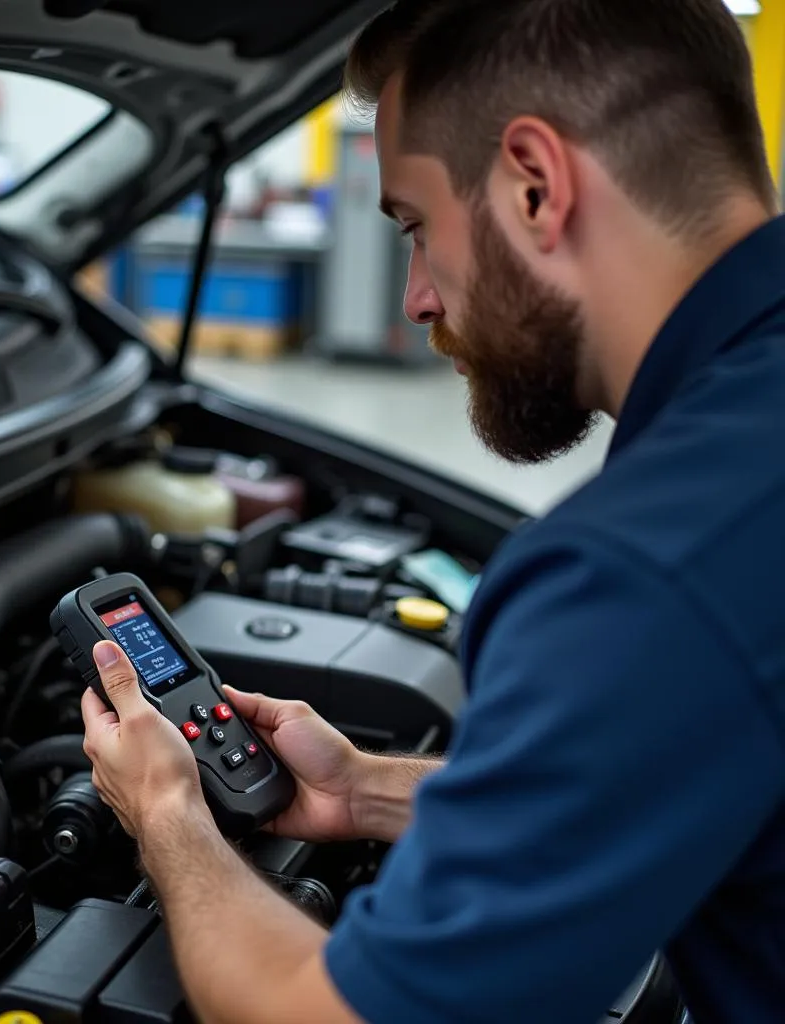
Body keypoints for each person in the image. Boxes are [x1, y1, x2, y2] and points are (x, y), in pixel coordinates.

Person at [81, 0, 785, 1020]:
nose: (415, 298)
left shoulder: (644, 571)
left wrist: (164, 810)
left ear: (535, 186)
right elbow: (678, 773)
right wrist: (365, 790)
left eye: (413, 225)